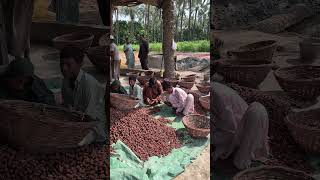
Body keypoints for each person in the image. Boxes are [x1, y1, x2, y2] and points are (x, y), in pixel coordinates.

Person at [212, 82, 269, 170]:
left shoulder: (218, 98)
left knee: (245, 147)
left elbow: (229, 128)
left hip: (244, 120)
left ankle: (242, 157)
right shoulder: (214, 93)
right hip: (242, 118)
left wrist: (212, 140)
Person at [60, 46, 107, 146]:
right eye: (62, 64)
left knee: (73, 142)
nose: (64, 68)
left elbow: (89, 118)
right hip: (76, 121)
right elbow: (67, 106)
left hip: (93, 127)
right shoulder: (65, 81)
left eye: (68, 64)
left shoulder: (89, 84)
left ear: (79, 64)